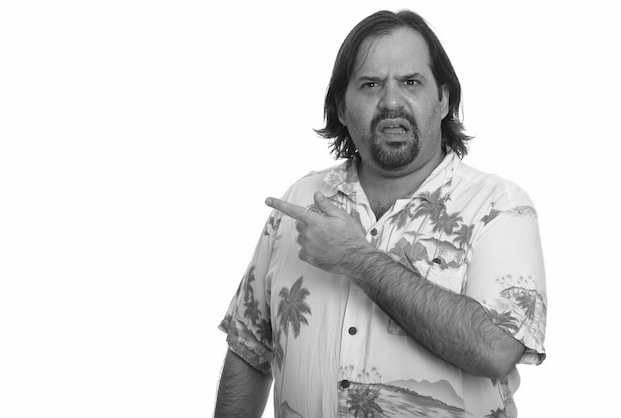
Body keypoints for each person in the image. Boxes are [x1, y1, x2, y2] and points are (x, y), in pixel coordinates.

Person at [215, 9, 546, 418]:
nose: (391, 101)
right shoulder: (301, 198)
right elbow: (249, 350)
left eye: (411, 82)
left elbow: (497, 349)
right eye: (370, 84)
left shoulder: (499, 206)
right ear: (341, 106)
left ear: (442, 99)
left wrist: (357, 258)